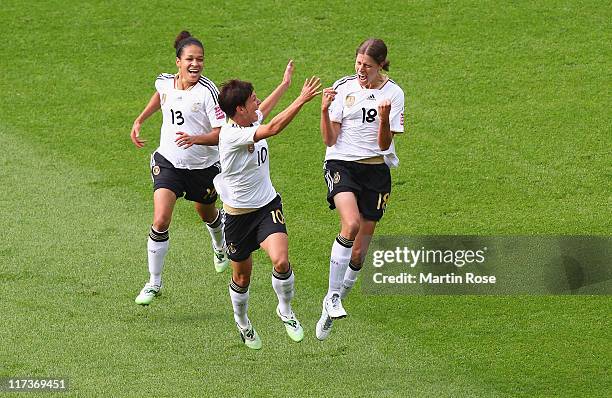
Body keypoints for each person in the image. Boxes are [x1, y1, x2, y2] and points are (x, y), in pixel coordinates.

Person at [214, 61, 321, 349]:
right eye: (252, 100)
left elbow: (265, 112)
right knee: (242, 276)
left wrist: (285, 85)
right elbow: (272, 127)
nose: (257, 102)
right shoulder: (233, 135)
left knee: (281, 260)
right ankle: (242, 320)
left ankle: (285, 309)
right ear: (239, 110)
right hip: (237, 217)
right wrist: (301, 99)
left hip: (266, 206)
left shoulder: (247, 120)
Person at [130, 31, 229, 306]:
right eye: (190, 59)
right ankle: (154, 282)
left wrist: (195, 139)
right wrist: (140, 120)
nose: (195, 64)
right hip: (169, 163)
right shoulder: (165, 82)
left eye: (200, 59)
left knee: (207, 214)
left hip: (203, 166)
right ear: (178, 61)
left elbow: (221, 133)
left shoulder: (209, 93)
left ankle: (219, 247)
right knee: (161, 220)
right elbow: (160, 97)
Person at [316, 38, 405, 340]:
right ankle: (331, 296)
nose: (360, 70)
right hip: (341, 164)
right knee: (350, 223)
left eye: (367, 65)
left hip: (375, 171)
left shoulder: (394, 94)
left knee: (360, 252)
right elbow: (330, 140)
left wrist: (383, 118)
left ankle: (335, 301)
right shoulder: (344, 87)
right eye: (358, 63)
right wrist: (324, 110)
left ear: (381, 65)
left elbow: (384, 145)